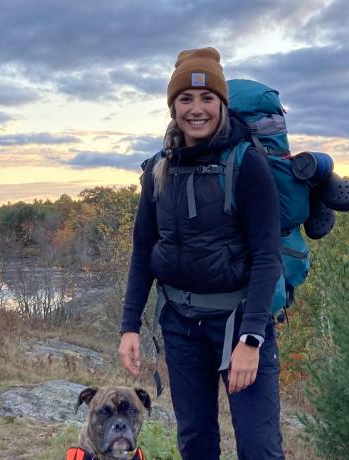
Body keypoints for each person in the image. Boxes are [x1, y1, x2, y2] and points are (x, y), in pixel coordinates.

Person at [118, 47, 285, 459]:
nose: (196, 109)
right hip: (180, 324)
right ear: (173, 106)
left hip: (238, 323)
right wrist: (129, 325)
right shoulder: (159, 168)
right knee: (195, 442)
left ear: (221, 103)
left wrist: (251, 339)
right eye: (185, 99)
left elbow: (267, 256)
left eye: (207, 97)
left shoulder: (246, 164)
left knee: (259, 448)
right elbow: (144, 250)